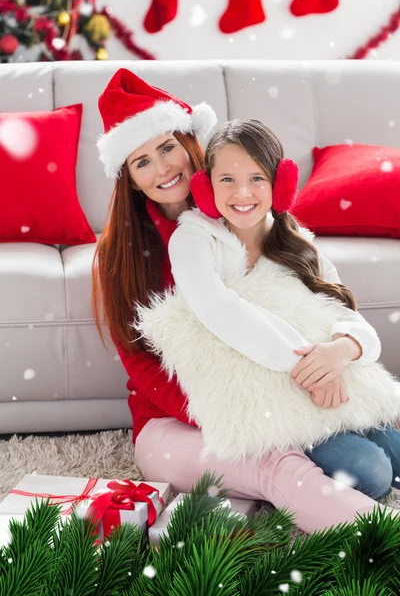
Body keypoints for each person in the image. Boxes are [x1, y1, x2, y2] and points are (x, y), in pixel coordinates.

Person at [92, 69, 398, 534]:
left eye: (168, 147)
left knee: (377, 452)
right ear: (130, 179)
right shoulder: (124, 256)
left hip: (280, 394)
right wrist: (250, 413)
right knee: (294, 465)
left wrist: (322, 370)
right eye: (142, 162)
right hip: (177, 423)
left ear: (192, 145)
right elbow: (145, 370)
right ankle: (380, 538)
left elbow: (302, 302)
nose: (163, 168)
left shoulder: (242, 218)